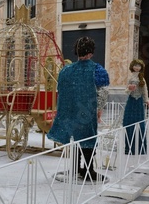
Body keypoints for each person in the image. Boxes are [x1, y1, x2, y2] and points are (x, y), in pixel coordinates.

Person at [47, 36, 110, 181]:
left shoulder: (66, 70)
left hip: (72, 113)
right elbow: (103, 92)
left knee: (75, 139)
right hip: (87, 113)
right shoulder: (97, 69)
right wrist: (99, 109)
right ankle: (88, 170)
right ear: (91, 53)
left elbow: (61, 92)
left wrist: (63, 111)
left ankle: (76, 168)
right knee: (88, 140)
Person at [123, 59, 149, 154]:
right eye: (135, 65)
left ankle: (139, 147)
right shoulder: (130, 77)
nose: (137, 67)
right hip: (131, 101)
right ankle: (128, 146)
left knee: (139, 123)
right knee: (129, 122)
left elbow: (144, 90)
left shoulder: (142, 78)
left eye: (139, 66)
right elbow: (125, 90)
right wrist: (129, 89)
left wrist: (147, 101)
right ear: (132, 66)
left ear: (141, 67)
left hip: (139, 102)